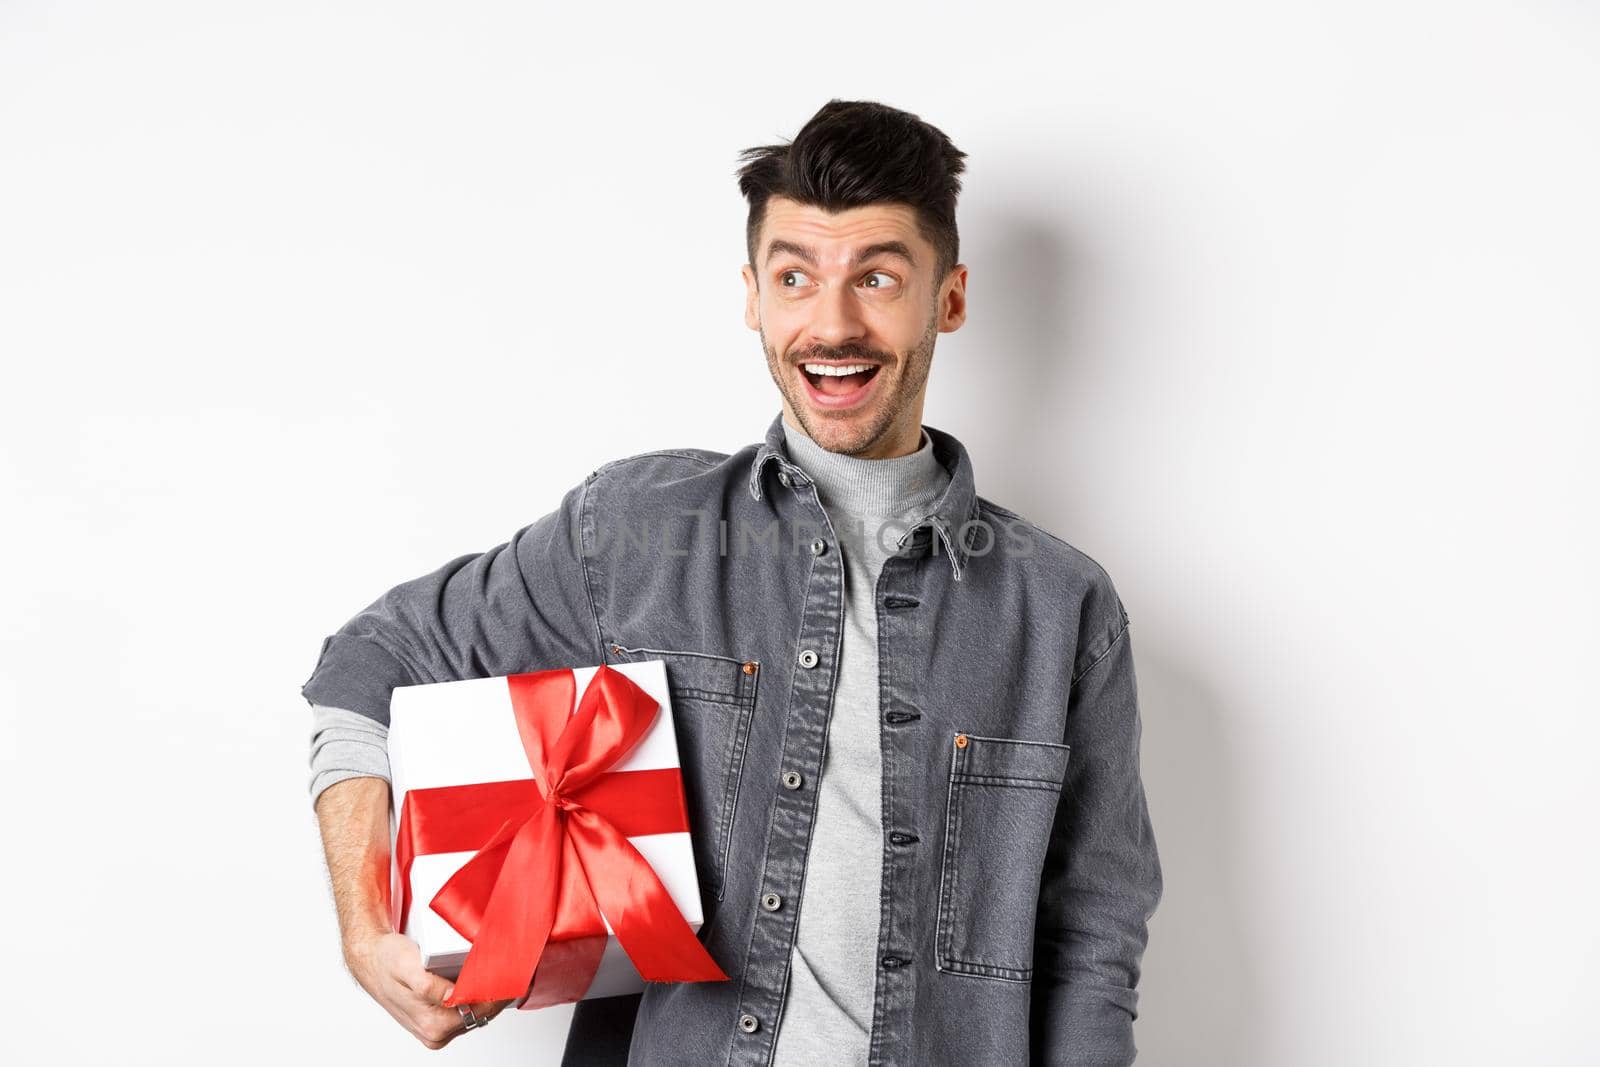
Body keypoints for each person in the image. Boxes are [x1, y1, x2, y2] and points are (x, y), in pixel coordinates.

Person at [305, 98, 1162, 1065]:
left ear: (949, 299)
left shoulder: (1061, 608)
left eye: (877, 277)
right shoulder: (636, 531)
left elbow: (1092, 941)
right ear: (754, 295)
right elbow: (371, 660)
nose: (832, 324)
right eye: (796, 276)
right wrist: (366, 929)